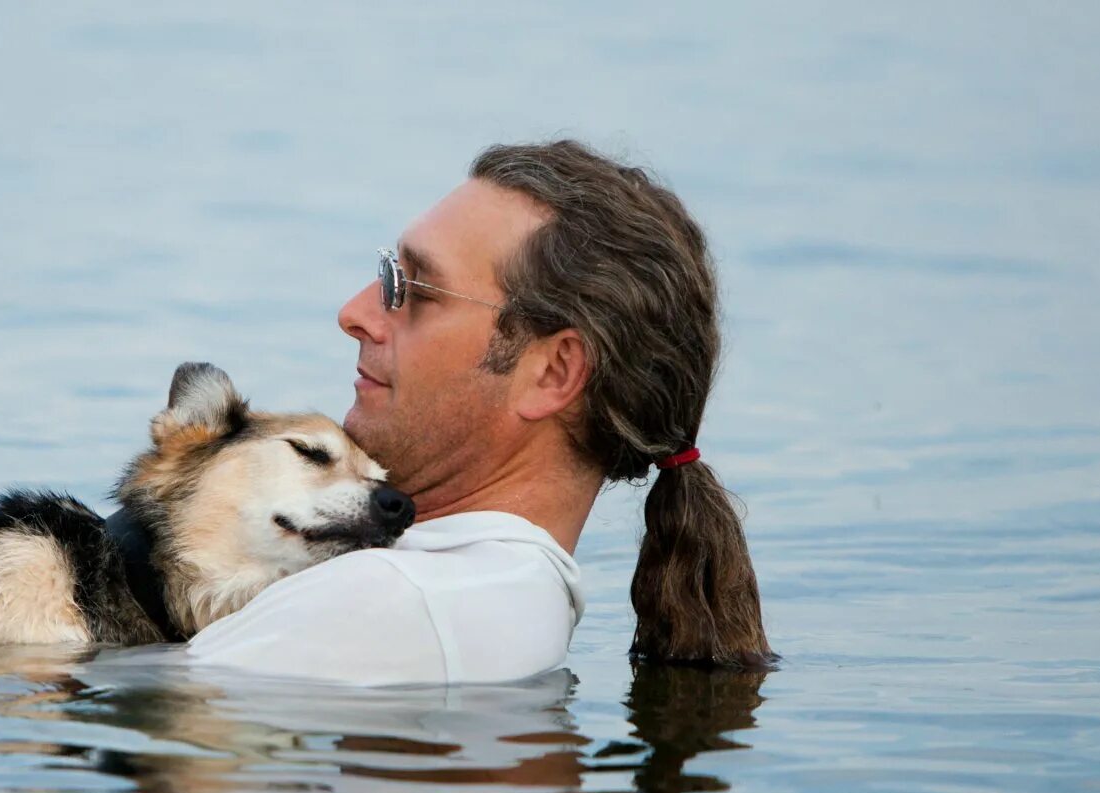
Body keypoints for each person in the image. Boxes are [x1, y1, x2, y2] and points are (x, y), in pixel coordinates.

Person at [187, 140, 773, 685]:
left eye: (415, 290)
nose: (355, 312)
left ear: (553, 373)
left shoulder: (397, 600)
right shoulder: (492, 593)